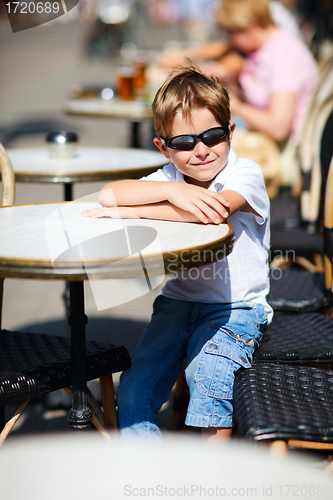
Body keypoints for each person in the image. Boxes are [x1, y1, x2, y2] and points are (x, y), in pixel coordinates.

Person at [81, 65, 273, 439]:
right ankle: (149, 478)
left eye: (212, 136)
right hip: (177, 303)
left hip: (237, 307)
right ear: (163, 148)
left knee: (208, 377)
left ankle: (210, 481)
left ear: (230, 132)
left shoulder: (244, 173)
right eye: (184, 143)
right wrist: (171, 191)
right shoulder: (170, 178)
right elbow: (108, 194)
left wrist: (138, 209)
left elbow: (213, 213)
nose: (200, 150)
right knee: (135, 388)